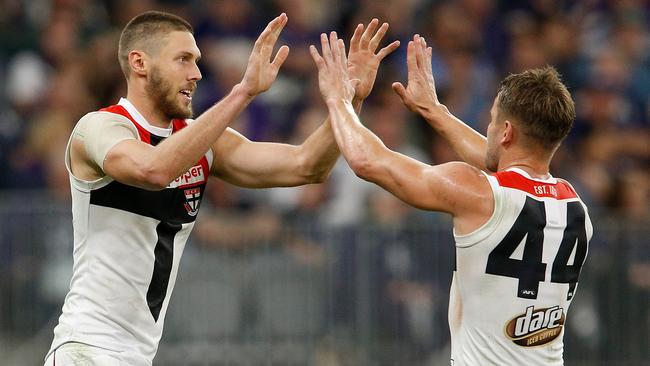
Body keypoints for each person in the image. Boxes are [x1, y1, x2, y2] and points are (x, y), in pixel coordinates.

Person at [44, 11, 399, 366]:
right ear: (139, 63)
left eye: (197, 61)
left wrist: (347, 102)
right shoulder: (98, 128)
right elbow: (153, 169)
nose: (196, 73)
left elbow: (308, 166)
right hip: (87, 348)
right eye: (183, 59)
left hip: (135, 355)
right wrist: (243, 92)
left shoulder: (202, 142)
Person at [310, 32, 593, 365]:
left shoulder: (476, 192)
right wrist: (434, 110)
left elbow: (367, 161)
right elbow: (501, 163)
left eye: (491, 121)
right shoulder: (576, 207)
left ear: (505, 132)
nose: (487, 129)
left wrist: (339, 98)